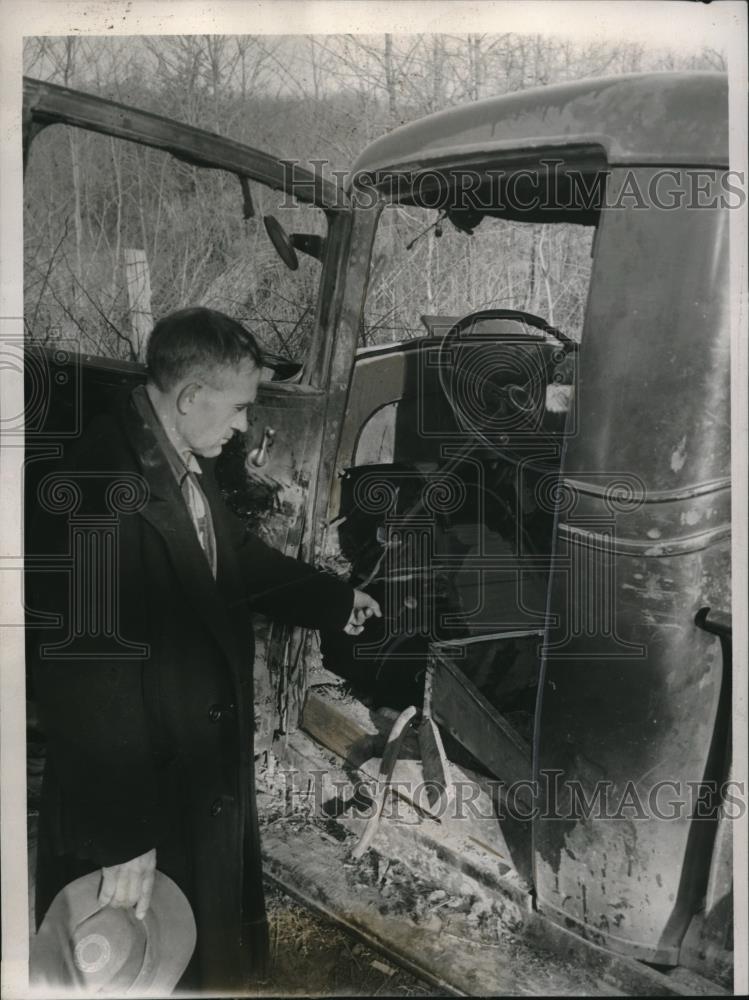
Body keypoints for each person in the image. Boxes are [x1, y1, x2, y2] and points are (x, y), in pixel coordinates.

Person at [29, 307, 381, 994]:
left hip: (187, 776)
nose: (245, 426)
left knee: (195, 954)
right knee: (135, 962)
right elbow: (84, 677)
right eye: (240, 407)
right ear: (191, 398)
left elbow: (234, 560)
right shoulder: (100, 490)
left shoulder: (177, 459)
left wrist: (334, 599)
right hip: (139, 793)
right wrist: (122, 835)